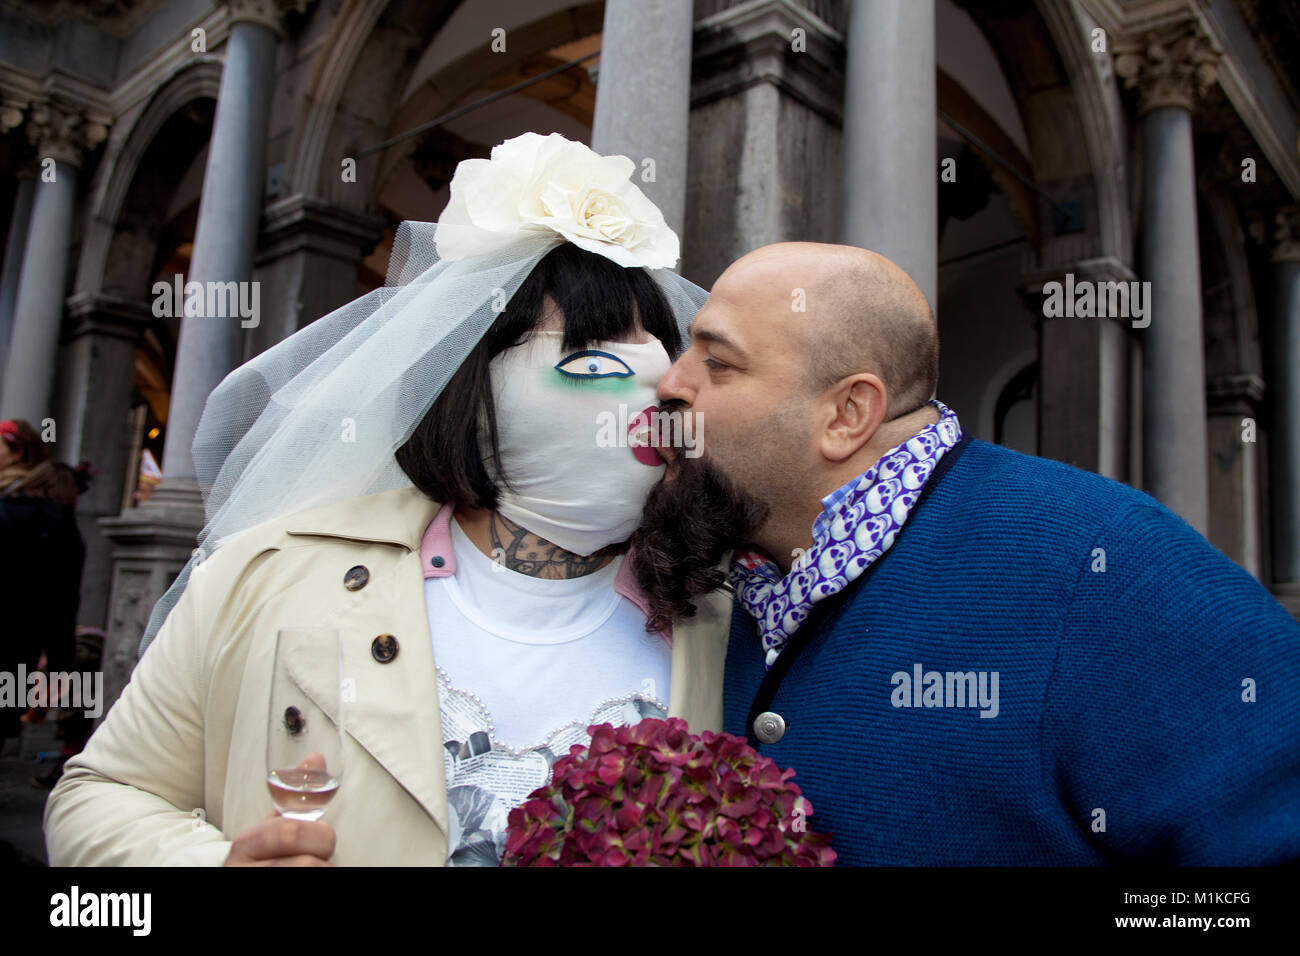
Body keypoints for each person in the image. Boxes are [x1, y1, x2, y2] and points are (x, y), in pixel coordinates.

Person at [43, 133, 731, 867]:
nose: (652, 398)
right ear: (473, 396)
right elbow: (101, 793)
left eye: (664, 364)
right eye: (593, 362)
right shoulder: (263, 575)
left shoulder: (719, 615)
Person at [631, 241, 1300, 865]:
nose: (670, 383)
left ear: (846, 415)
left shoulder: (1106, 566)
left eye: (717, 362)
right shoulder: (732, 574)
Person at [0, 437, 88, 757]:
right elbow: (63, 605)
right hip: (18, 643)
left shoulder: (5, 512)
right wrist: (58, 667)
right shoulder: (65, 534)